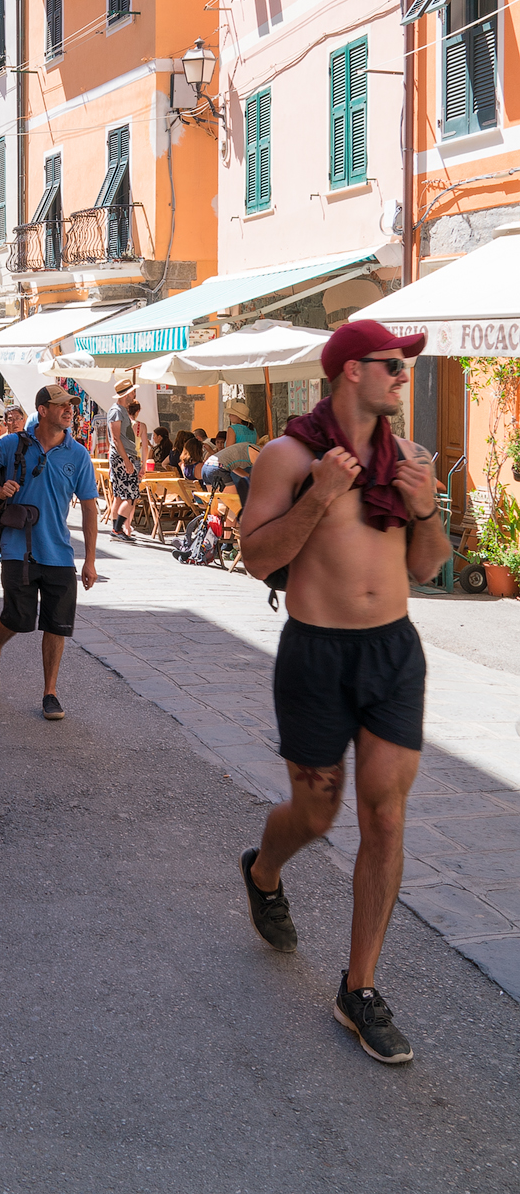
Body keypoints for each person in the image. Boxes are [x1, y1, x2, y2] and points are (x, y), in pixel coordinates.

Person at [236, 320, 449, 1066]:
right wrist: (321, 496)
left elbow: (427, 567)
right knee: (319, 813)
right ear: (350, 371)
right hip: (316, 654)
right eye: (393, 364)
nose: (402, 375)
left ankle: (358, 989)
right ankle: (263, 872)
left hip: (392, 652)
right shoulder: (288, 457)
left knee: (384, 817)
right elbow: (256, 558)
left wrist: (425, 510)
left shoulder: (411, 459)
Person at [0, 383, 99, 721]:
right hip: (17, 548)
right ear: (43, 410)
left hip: (59, 553)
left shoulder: (78, 454)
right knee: (19, 618)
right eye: (61, 405)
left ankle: (50, 692)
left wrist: (91, 560)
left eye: (71, 405)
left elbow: (88, 508)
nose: (70, 410)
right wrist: (0, 489)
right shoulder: (13, 444)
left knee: (57, 625)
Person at [107, 376, 141, 541]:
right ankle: (117, 529)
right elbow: (116, 438)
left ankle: (116, 530)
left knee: (120, 495)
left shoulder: (120, 410)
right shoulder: (117, 411)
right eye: (133, 391)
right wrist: (127, 461)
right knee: (131, 495)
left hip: (123, 456)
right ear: (126, 393)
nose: (135, 393)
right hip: (123, 457)